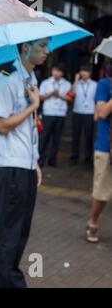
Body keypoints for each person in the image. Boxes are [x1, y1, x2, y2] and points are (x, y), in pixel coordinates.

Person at [0, 38, 47, 288]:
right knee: (5, 233)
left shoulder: (30, 79)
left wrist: (35, 161)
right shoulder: (6, 79)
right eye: (42, 45)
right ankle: (1, 282)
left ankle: (9, 278)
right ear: (25, 48)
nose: (47, 51)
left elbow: (28, 129)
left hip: (25, 165)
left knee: (19, 232)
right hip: (9, 166)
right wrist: (33, 105)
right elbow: (1, 125)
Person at [86, 71, 112, 243]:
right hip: (106, 147)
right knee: (102, 191)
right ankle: (93, 221)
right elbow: (101, 112)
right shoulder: (104, 84)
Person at [38, 63, 72, 167]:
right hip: (48, 112)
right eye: (55, 70)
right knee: (44, 137)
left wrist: (59, 95)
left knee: (56, 138)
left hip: (60, 113)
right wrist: (51, 94)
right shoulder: (46, 83)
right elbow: (40, 97)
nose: (56, 73)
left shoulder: (67, 84)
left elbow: (70, 98)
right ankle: (41, 159)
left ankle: (52, 160)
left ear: (62, 73)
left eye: (59, 71)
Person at [70, 65, 97, 165]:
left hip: (89, 113)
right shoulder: (77, 84)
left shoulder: (95, 84)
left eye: (86, 71)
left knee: (88, 136)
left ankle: (88, 158)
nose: (84, 73)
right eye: (82, 71)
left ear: (90, 73)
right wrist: (76, 80)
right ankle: (74, 156)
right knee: (75, 135)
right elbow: (71, 94)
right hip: (77, 112)